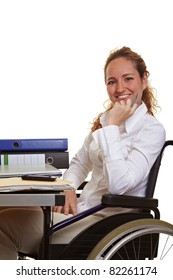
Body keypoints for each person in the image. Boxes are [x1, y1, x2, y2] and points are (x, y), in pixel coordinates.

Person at [0, 46, 166, 259]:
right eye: (111, 81)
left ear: (144, 80)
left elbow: (119, 185)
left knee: (4, 224)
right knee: (3, 210)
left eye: (128, 79)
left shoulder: (150, 129)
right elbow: (79, 163)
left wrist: (112, 128)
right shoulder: (106, 122)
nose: (119, 88)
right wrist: (68, 187)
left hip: (102, 224)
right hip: (81, 211)